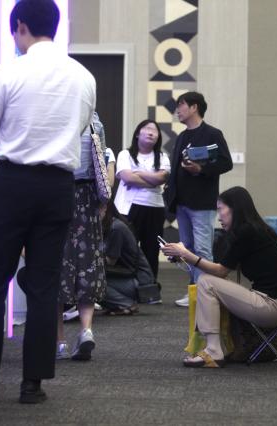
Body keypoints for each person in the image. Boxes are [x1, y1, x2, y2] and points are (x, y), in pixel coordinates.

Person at [0, 0, 96, 404]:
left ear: (19, 27)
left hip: (13, 185)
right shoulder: (84, 77)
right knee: (45, 284)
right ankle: (32, 385)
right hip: (59, 189)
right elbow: (71, 130)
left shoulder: (9, 71)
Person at [161, 186, 277, 368]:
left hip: (272, 306)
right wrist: (182, 258)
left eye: (220, 209)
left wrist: (186, 254)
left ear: (234, 208)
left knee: (207, 282)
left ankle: (214, 351)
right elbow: (220, 270)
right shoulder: (254, 230)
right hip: (276, 304)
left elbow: (220, 271)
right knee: (211, 281)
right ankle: (218, 346)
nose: (218, 215)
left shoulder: (247, 232)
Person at [163, 92, 233, 307]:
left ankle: (207, 293)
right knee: (188, 250)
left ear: (194, 107)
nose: (178, 110)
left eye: (181, 105)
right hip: (182, 202)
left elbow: (226, 163)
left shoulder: (213, 134)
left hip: (202, 203)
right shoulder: (182, 137)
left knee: (202, 249)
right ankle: (194, 290)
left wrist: (201, 169)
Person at [55, 112, 107, 362]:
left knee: (56, 264)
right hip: (88, 198)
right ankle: (86, 330)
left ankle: (59, 342)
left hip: (58, 193)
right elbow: (101, 163)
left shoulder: (57, 116)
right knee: (87, 264)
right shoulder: (94, 121)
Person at [114, 119, 170, 279]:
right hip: (128, 207)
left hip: (155, 208)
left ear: (158, 137)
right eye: (147, 129)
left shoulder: (162, 156)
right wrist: (152, 179)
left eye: (155, 130)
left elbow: (162, 178)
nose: (151, 132)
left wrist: (138, 173)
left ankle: (149, 288)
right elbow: (127, 177)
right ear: (138, 133)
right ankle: (126, 287)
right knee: (127, 248)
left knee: (151, 250)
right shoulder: (125, 154)